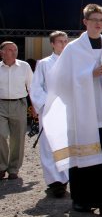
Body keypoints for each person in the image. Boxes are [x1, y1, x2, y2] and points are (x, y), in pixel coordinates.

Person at [42, 4, 102, 217]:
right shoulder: (73, 49)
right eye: (94, 20)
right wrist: (90, 74)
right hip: (82, 113)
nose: (98, 24)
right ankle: (82, 200)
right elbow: (59, 81)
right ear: (85, 22)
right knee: (83, 157)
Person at [29, 31, 69, 195]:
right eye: (60, 41)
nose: (63, 44)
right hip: (50, 110)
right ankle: (55, 181)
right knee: (49, 145)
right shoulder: (44, 63)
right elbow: (36, 87)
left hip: (68, 111)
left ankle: (66, 177)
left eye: (66, 41)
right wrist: (48, 103)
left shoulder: (72, 63)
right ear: (52, 44)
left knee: (67, 144)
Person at [0, 41, 33, 180]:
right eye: (10, 50)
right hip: (1, 104)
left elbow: (32, 86)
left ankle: (14, 169)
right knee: (1, 135)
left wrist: (36, 107)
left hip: (19, 103)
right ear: (2, 52)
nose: (14, 52)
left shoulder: (24, 66)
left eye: (15, 49)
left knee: (18, 137)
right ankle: (1, 167)